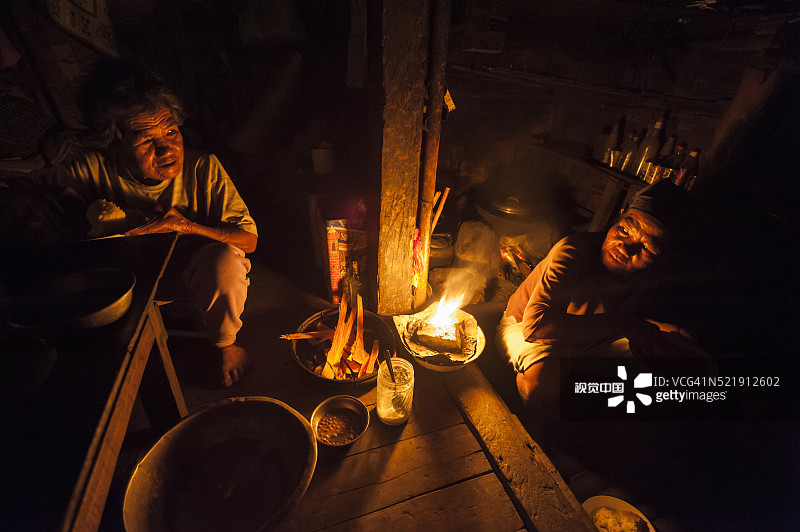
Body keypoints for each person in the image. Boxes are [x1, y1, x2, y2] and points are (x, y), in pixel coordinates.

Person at [56, 58, 257, 387]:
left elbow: (249, 239)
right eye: (146, 139)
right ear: (113, 143)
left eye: (171, 131)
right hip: (127, 283)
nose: (166, 148)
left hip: (190, 280)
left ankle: (226, 344)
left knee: (225, 261)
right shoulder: (89, 168)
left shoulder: (203, 168)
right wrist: (85, 211)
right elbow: (61, 201)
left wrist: (188, 227)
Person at [496, 180, 707, 413]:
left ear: (665, 256)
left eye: (647, 247)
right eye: (624, 230)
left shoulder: (655, 272)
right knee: (541, 383)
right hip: (528, 327)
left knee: (678, 361)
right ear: (619, 216)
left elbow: (637, 321)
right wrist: (625, 324)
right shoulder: (574, 250)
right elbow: (537, 326)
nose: (625, 248)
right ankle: (534, 422)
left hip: (590, 335)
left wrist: (672, 335)